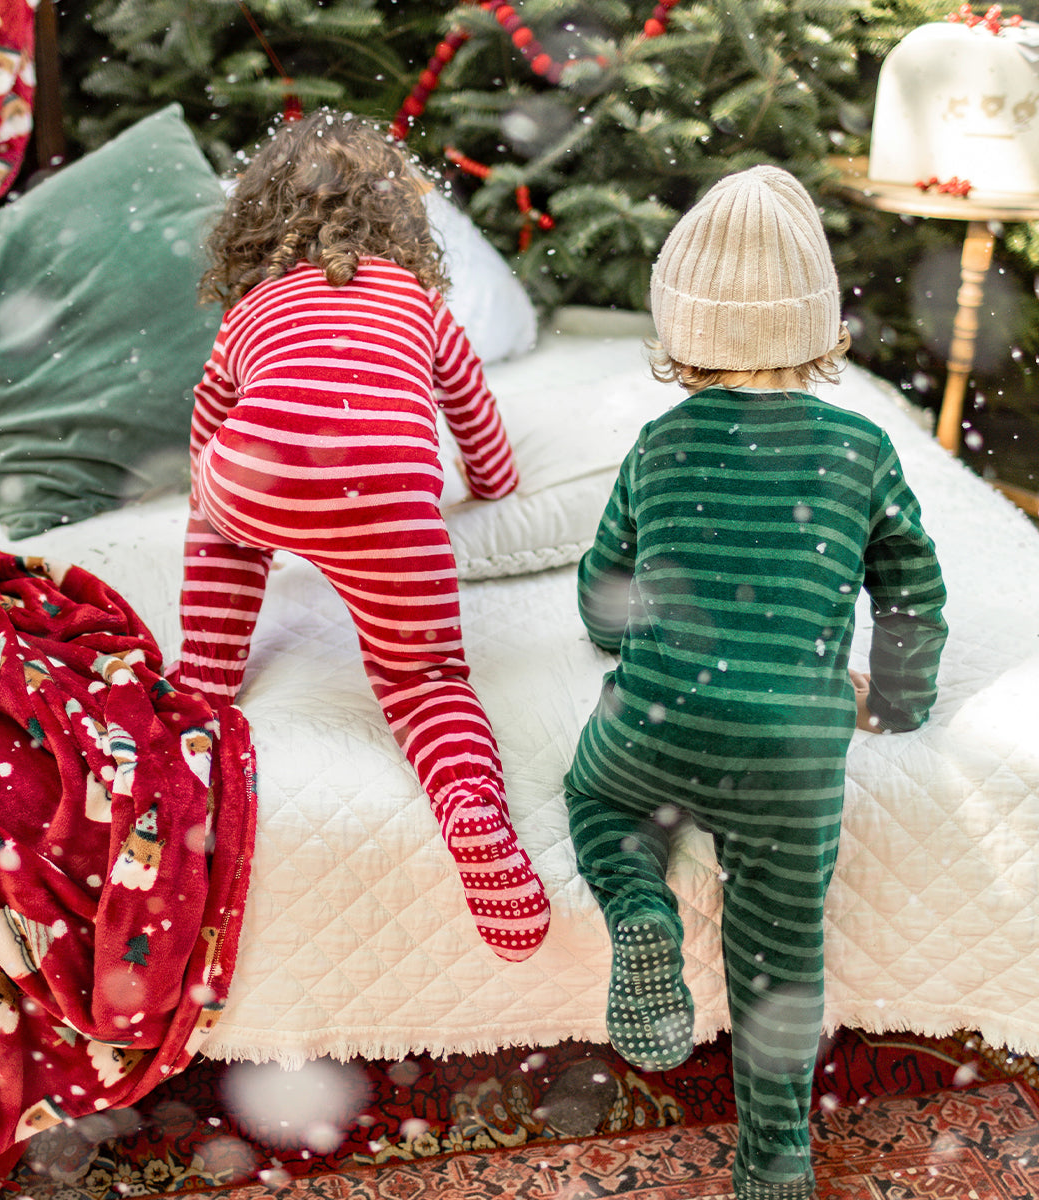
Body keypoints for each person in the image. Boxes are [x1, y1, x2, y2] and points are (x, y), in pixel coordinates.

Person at [563, 165, 947, 1199]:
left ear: (680, 330)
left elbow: (604, 600)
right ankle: (775, 1162)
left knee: (599, 802)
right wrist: (895, 702)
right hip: (790, 750)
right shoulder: (863, 450)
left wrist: (620, 631)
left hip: (656, 725)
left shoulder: (659, 445)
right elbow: (913, 591)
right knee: (780, 954)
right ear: (820, 327)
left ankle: (640, 911)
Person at [172, 109, 550, 963]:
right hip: (388, 501)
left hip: (257, 476)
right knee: (426, 679)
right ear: (396, 216)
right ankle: (470, 806)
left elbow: (208, 421)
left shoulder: (253, 307)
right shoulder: (419, 302)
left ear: (259, 219)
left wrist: (217, 493)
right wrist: (494, 484)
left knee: (221, 518)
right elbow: (475, 420)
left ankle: (204, 679)